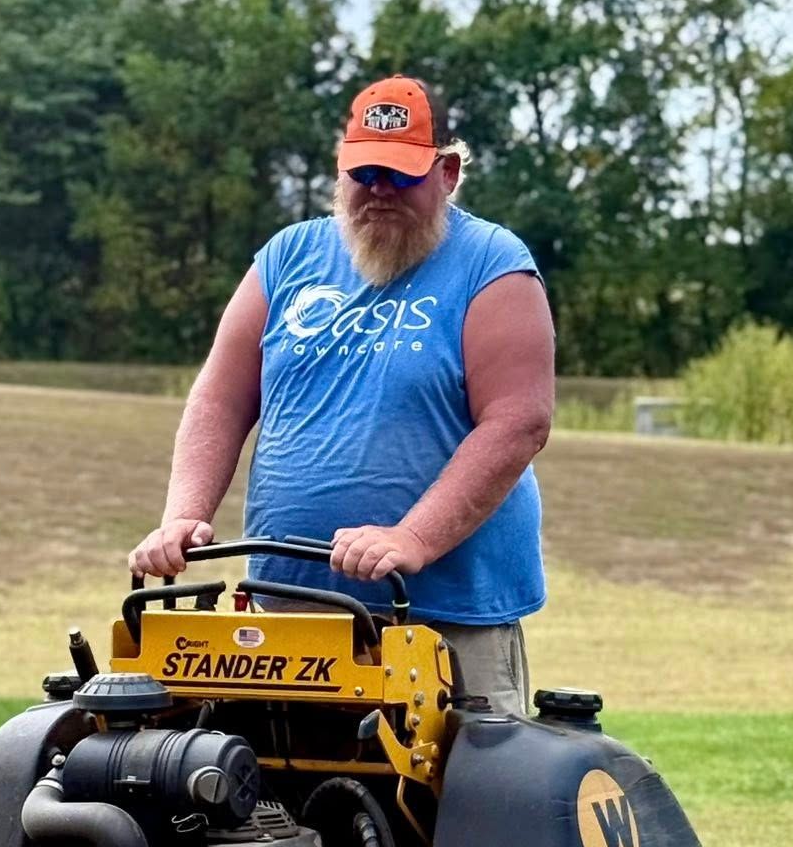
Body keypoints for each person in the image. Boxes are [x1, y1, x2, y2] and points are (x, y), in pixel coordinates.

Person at [127, 75, 555, 716]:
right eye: (365, 171)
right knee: (269, 805)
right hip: (286, 613)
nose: (380, 190)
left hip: (446, 620)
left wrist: (412, 539)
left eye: (402, 174)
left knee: (466, 808)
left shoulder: (493, 264)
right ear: (340, 166)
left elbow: (518, 422)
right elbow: (220, 397)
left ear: (448, 172)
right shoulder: (287, 257)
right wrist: (185, 514)